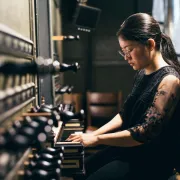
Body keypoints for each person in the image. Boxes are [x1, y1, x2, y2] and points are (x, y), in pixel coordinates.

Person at [67, 13, 180, 180]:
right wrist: (93, 135)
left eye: (129, 50)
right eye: (123, 52)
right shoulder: (142, 74)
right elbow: (124, 114)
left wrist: (97, 139)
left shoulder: (170, 81)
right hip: (129, 152)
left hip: (150, 162)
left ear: (150, 44)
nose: (126, 57)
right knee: (79, 171)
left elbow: (144, 133)